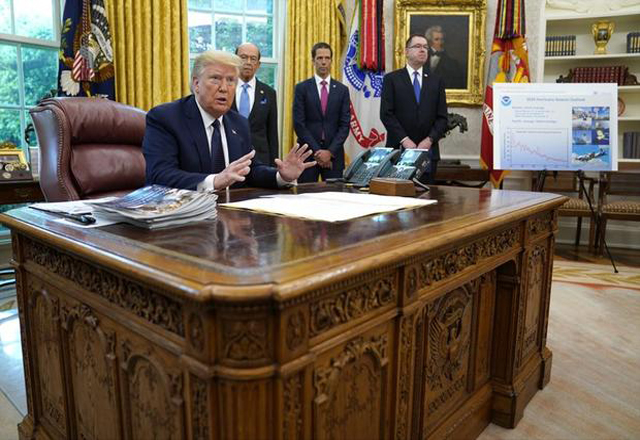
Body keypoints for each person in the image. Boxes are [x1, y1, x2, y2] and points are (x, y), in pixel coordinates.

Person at [143, 50, 315, 191]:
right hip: (185, 215)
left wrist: (281, 176)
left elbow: (250, 170)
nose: (224, 88)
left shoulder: (238, 123)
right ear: (196, 84)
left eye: (231, 81)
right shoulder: (166, 118)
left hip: (232, 215)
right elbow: (159, 175)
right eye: (216, 79)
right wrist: (215, 181)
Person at [380, 34, 448, 184]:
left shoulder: (436, 81)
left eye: (425, 47)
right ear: (406, 51)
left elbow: (442, 117)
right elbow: (386, 114)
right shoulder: (392, 79)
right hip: (399, 149)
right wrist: (405, 140)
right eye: (417, 46)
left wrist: (429, 140)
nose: (422, 50)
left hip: (427, 151)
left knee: (426, 195)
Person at [293, 42, 351, 183]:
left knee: (334, 195)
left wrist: (330, 152)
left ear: (331, 60)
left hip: (334, 156)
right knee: (305, 194)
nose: (323, 62)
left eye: (327, 58)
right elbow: (299, 124)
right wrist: (318, 152)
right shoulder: (302, 88)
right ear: (313, 61)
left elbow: (345, 125)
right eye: (319, 58)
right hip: (308, 155)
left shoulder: (342, 90)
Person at [231, 42, 279, 166]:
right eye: (243, 57)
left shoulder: (269, 93)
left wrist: (274, 166)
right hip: (230, 159)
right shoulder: (225, 89)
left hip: (260, 160)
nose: (248, 62)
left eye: (253, 59)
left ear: (258, 64)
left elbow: (272, 133)